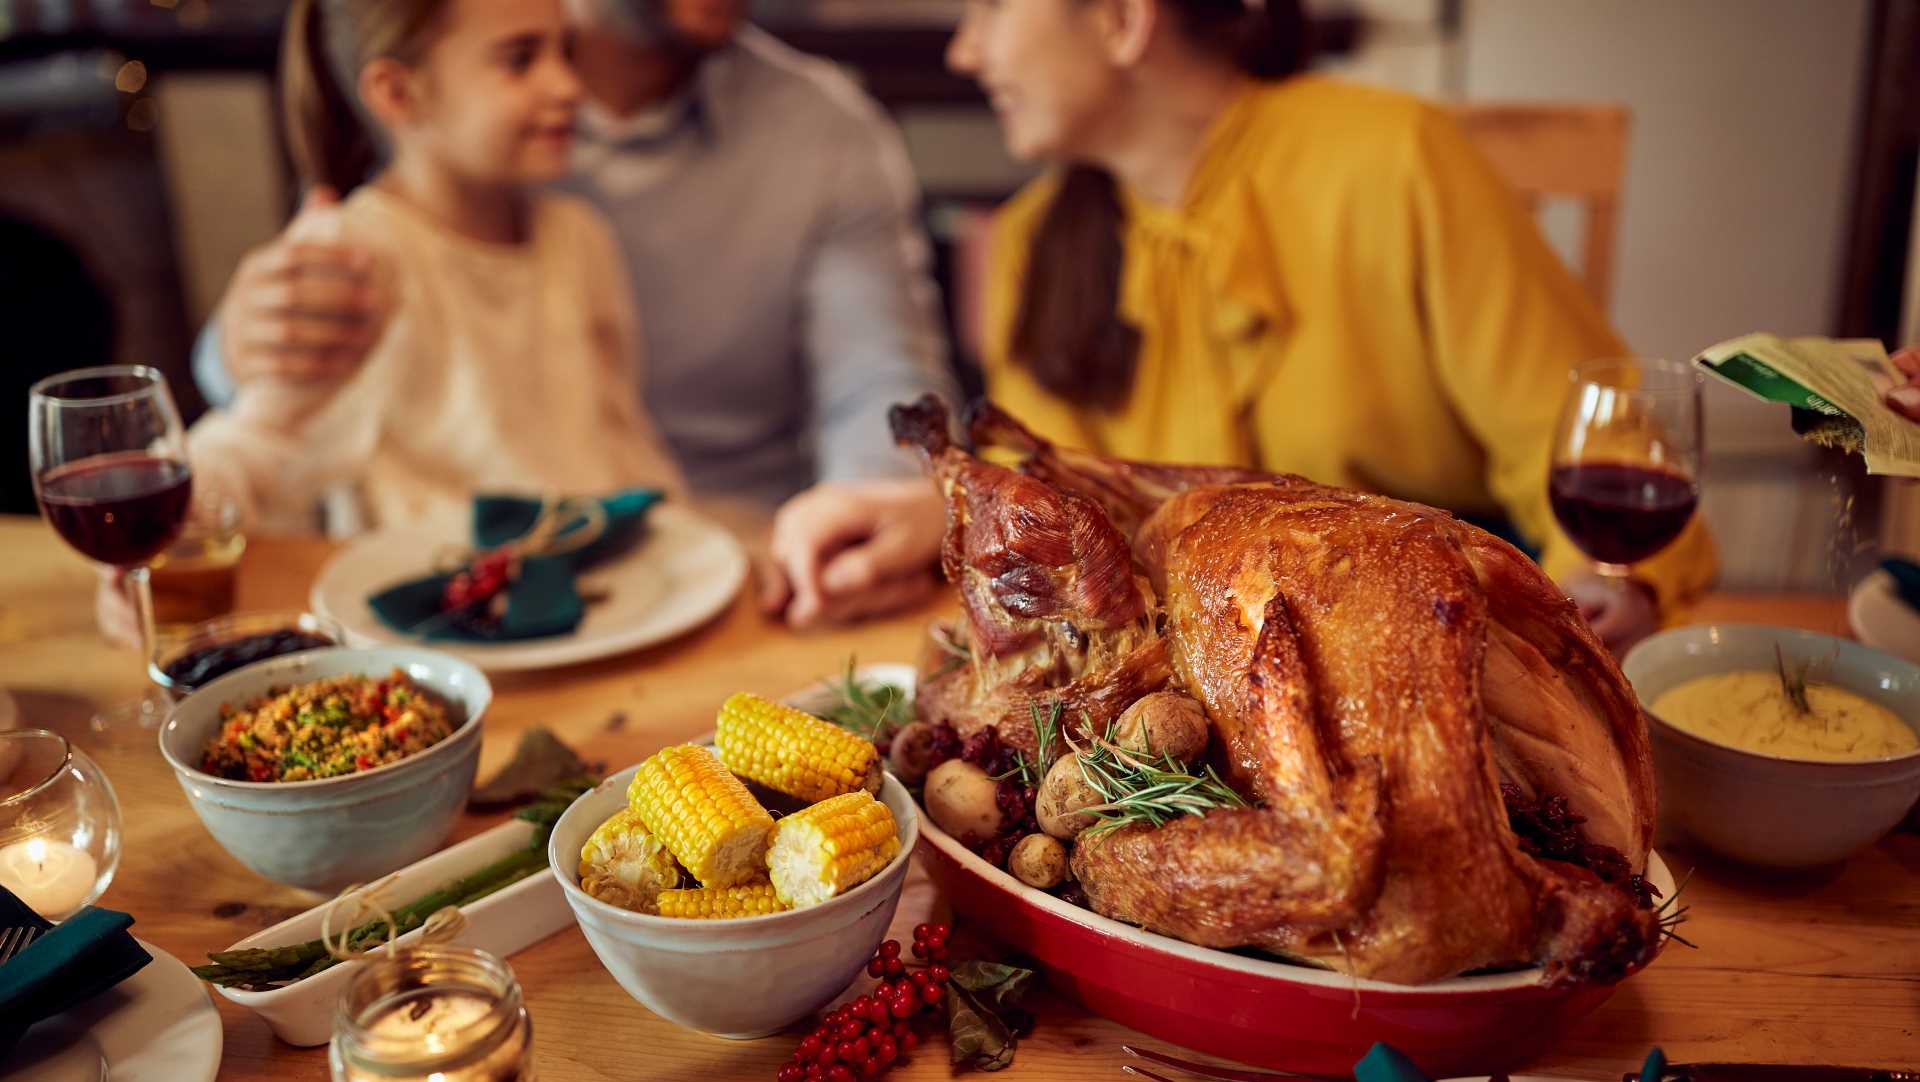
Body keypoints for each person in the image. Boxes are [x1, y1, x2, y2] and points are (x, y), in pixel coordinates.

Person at [947, 0, 1719, 652]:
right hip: (1193, 669)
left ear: (1121, 19)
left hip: (1449, 635)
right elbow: (1044, 510)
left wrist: (1601, 585)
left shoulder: (1398, 159)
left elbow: (1590, 441)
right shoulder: (1031, 240)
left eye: (991, 4)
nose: (964, 50)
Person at [192, 0, 954, 628]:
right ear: (398, 96)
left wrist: (825, 537)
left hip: (645, 589)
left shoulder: (580, 235)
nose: (565, 88)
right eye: (524, 58)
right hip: (457, 625)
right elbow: (268, 434)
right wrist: (225, 367)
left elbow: (630, 447)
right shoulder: (374, 216)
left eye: (560, 52)